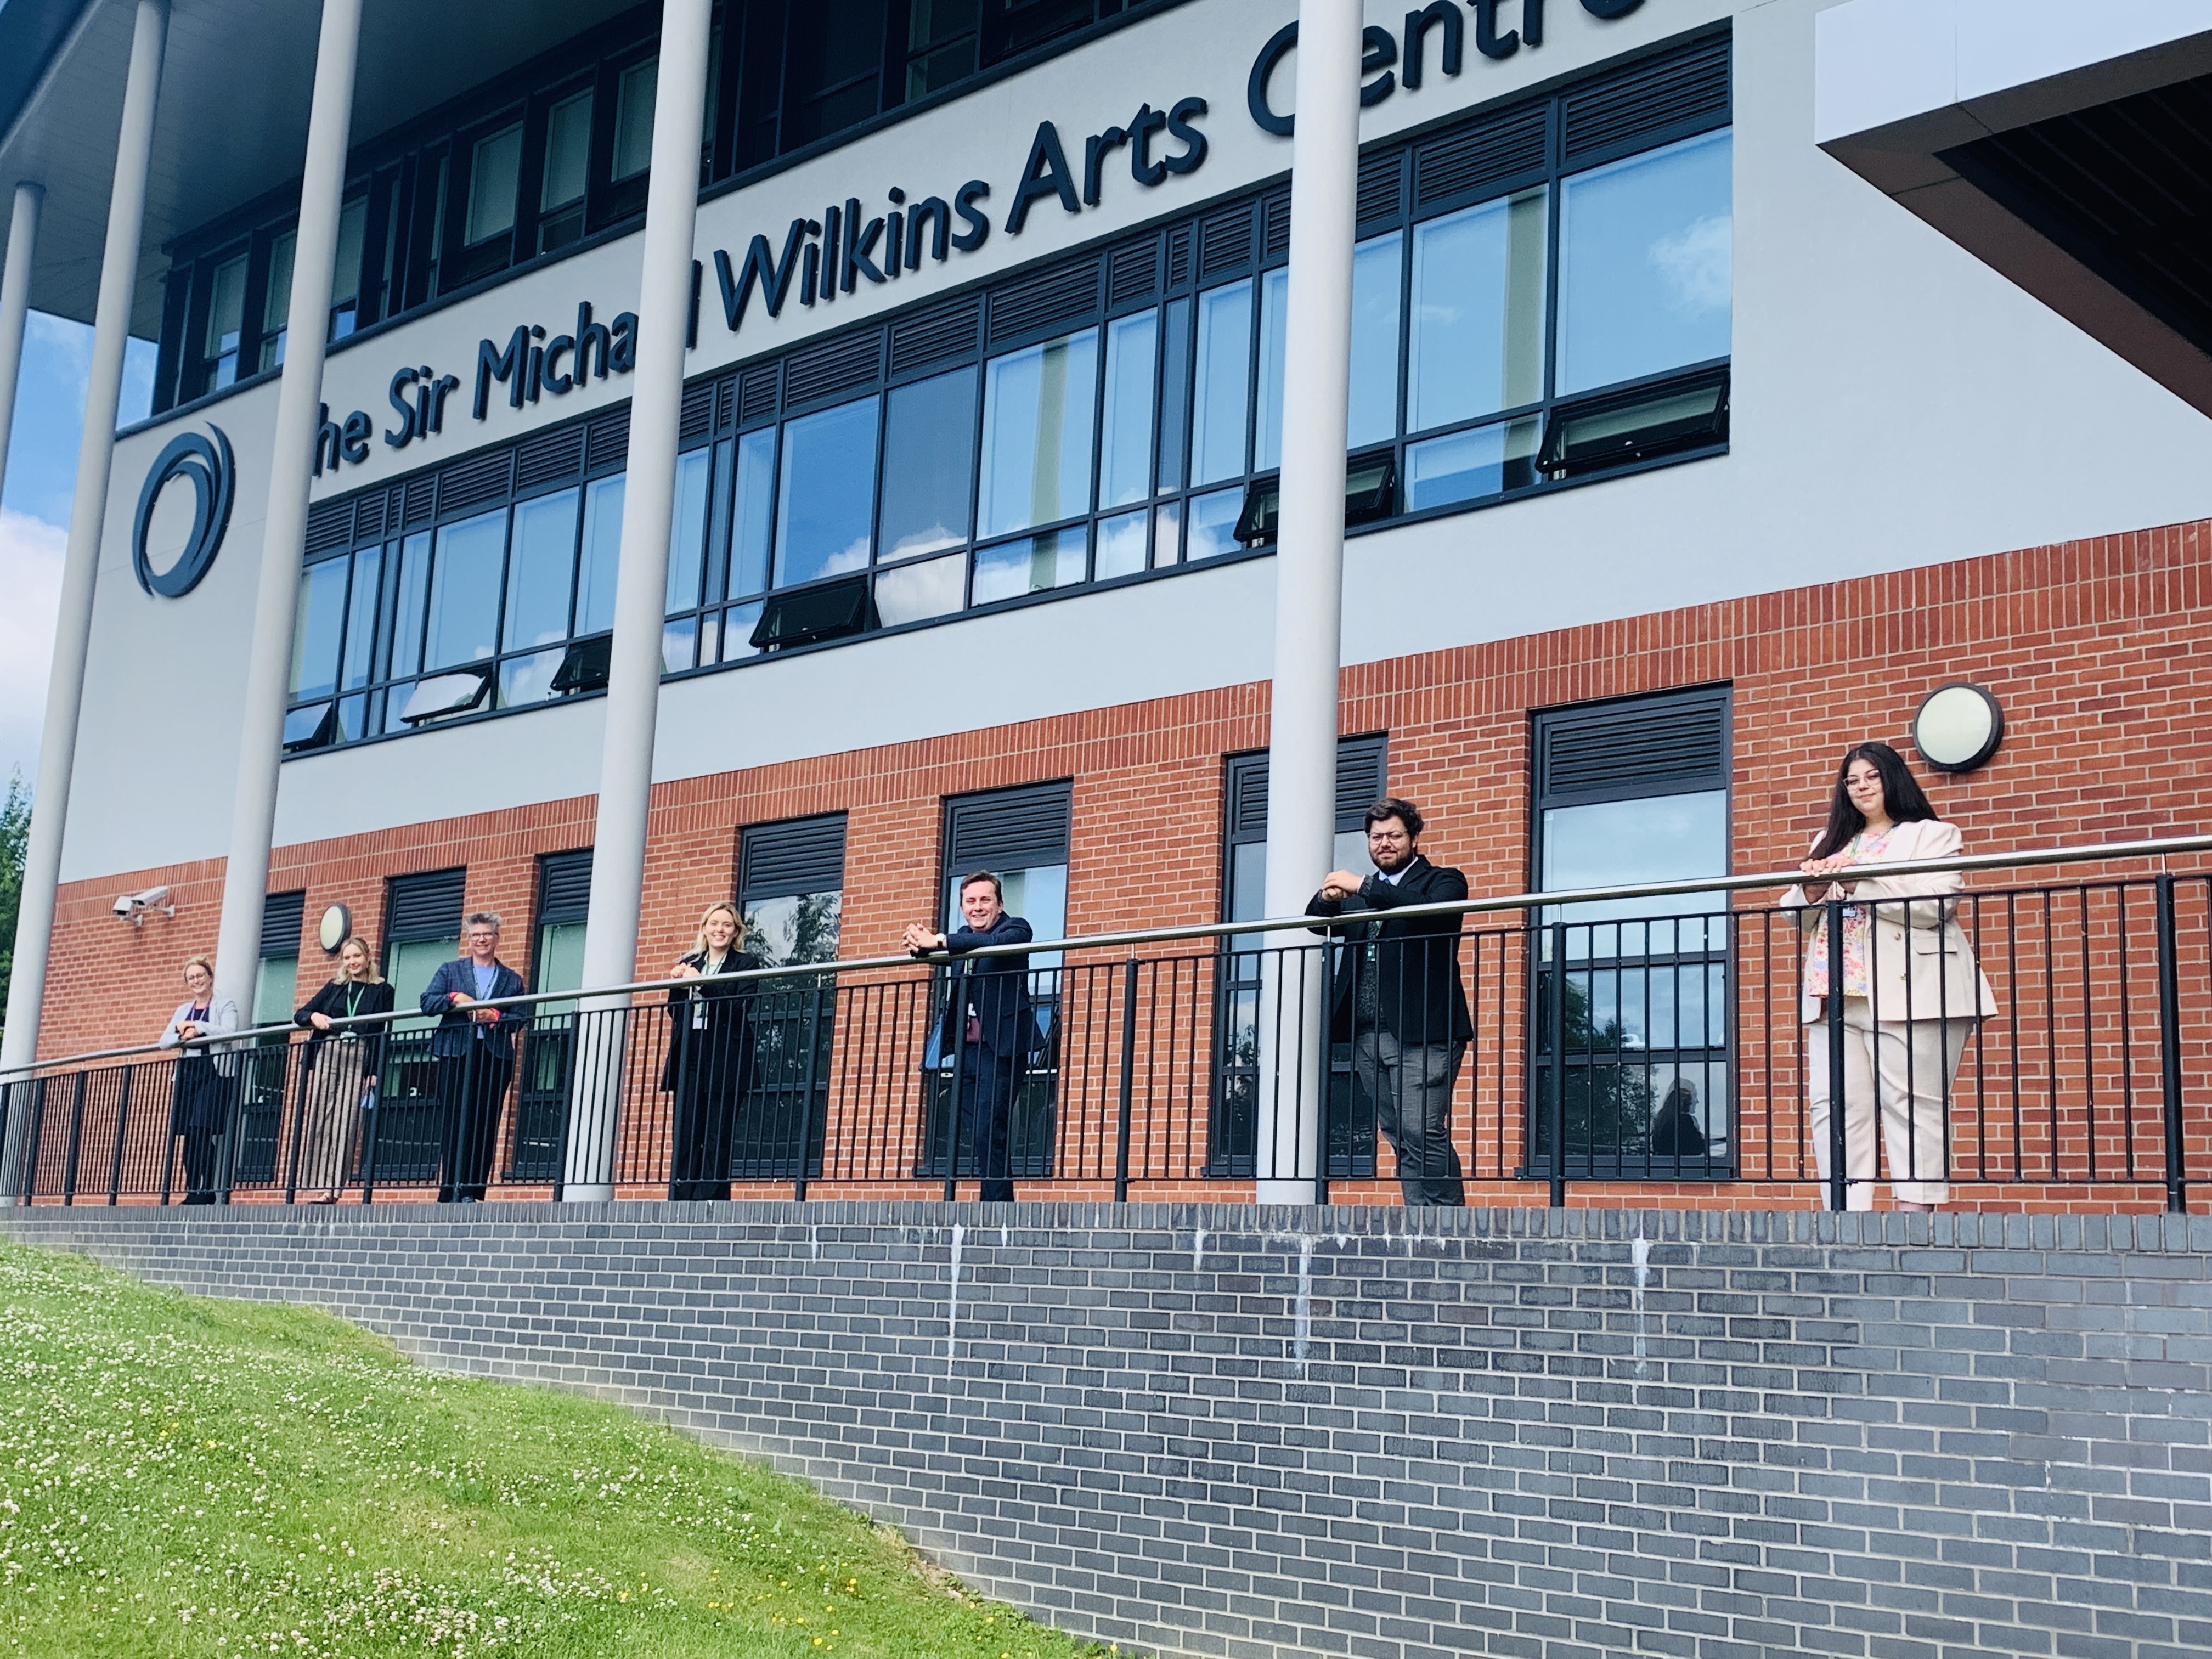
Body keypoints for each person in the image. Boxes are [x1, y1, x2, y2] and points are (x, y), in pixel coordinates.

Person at [1785, 742, 1999, 1211]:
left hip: (1911, 988)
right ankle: (1845, 1213)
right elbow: (1795, 914)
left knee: (1912, 1101)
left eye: (1871, 777)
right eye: (1852, 780)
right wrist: (1813, 888)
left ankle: (1914, 1213)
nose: (1861, 787)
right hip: (1834, 993)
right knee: (1835, 1107)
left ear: (1892, 779)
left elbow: (1937, 905)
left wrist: (1863, 880)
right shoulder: (1831, 839)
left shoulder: (1931, 835)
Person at [1307, 799, 1475, 1206]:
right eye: (1376, 837)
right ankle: (1419, 1221)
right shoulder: (1363, 896)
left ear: (1414, 839)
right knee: (1397, 1131)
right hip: (1368, 1033)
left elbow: (1438, 914)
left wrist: (1363, 885)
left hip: (1424, 1031)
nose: (1385, 843)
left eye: (1394, 835)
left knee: (1423, 1129)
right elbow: (1314, 920)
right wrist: (1330, 898)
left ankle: (1449, 1225)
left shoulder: (1442, 881)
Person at [905, 873, 1032, 1203]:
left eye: (985, 900)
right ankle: (997, 1201)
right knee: (978, 1129)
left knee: (990, 1128)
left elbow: (993, 947)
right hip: (966, 1048)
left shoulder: (1016, 929)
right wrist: (919, 942)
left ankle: (995, 1207)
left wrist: (941, 940)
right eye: (971, 902)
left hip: (1001, 1046)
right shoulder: (962, 937)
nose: (978, 908)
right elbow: (935, 953)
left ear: (1000, 904)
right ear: (962, 908)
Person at [419, 912, 527, 1203]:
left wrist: (494, 1016)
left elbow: (520, 1019)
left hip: (493, 1057)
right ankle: (450, 1190)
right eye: (476, 935)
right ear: (469, 940)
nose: (482, 939)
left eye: (487, 934)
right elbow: (427, 1002)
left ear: (497, 938)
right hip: (455, 1053)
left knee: (485, 1122)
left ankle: (473, 1191)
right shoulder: (450, 970)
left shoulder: (511, 979)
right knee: (454, 1121)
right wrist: (456, 999)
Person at [661, 902, 764, 1202]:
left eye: (727, 925)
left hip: (727, 1054)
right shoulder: (690, 961)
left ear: (735, 933)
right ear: (704, 928)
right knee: (687, 1131)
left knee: (717, 1132)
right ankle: (681, 1198)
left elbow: (739, 1008)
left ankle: (710, 1200)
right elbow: (674, 1012)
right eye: (714, 924)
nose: (720, 930)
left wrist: (704, 984)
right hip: (691, 1050)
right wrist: (679, 985)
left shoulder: (746, 964)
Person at [292, 936, 395, 1202]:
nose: (352, 962)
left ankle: (333, 1189)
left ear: (368, 957)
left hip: (359, 1055)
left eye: (356, 957)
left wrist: (374, 1071)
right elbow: (302, 1014)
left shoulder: (383, 990)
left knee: (346, 1121)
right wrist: (314, 1017)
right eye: (347, 958)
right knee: (321, 1114)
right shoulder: (335, 987)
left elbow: (384, 1033)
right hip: (329, 1050)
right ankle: (316, 1184)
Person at [158, 956, 241, 1204]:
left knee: (201, 1131)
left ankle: (206, 1189)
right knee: (190, 1135)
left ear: (210, 977)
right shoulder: (182, 1010)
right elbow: (164, 1042)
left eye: (200, 976)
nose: (196, 981)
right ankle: (195, 1190)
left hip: (214, 1075)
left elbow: (230, 1033)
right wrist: (181, 1033)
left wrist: (198, 1027)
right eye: (191, 978)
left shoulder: (225, 1005)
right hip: (188, 1075)